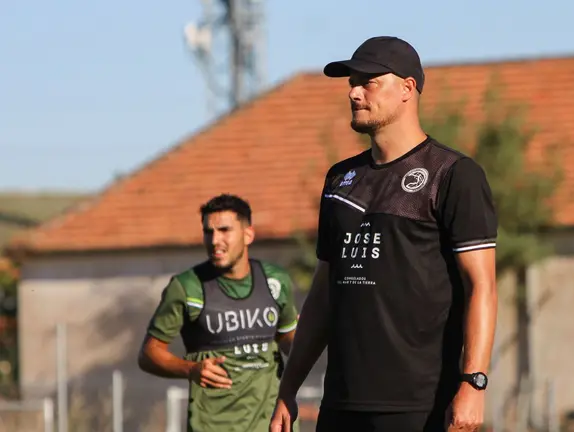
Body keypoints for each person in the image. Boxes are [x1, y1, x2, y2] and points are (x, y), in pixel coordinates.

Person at [270, 36, 498, 432]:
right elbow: (323, 296)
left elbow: (482, 286)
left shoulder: (453, 174)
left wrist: (474, 383)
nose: (354, 93)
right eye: (351, 83)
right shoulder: (340, 179)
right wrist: (288, 389)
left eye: (369, 82)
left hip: (421, 405)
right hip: (341, 403)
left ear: (407, 88)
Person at [138, 193, 300, 432]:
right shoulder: (187, 287)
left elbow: (287, 339)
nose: (215, 240)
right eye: (208, 232)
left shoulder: (276, 280)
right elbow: (148, 354)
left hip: (271, 424)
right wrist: (191, 369)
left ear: (248, 234)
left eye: (224, 230)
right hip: (214, 425)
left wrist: (308, 338)